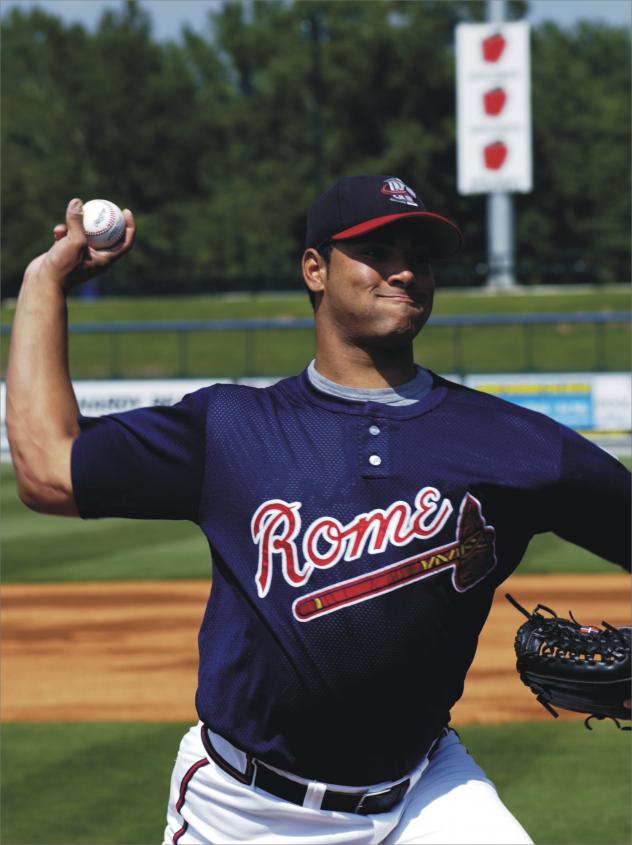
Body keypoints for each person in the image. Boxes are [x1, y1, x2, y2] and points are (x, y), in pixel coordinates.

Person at [6, 175, 630, 845]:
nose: (405, 270)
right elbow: (47, 472)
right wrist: (45, 279)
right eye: (377, 249)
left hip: (425, 790)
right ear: (314, 269)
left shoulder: (512, 442)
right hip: (246, 811)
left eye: (419, 253)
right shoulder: (232, 428)